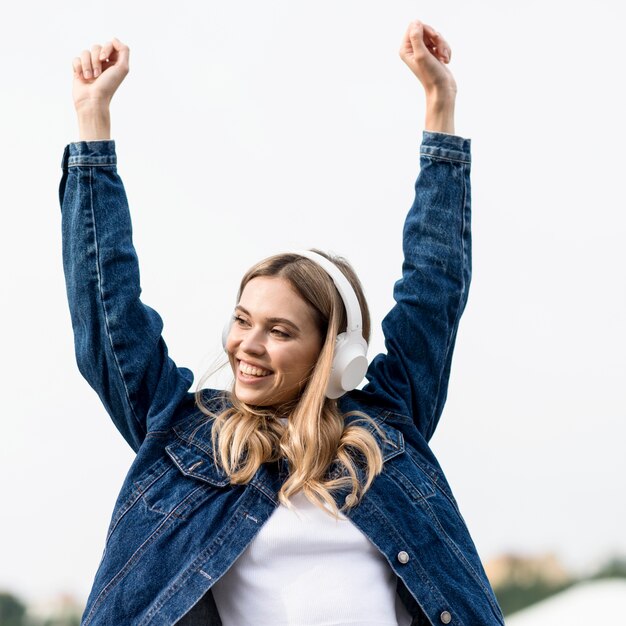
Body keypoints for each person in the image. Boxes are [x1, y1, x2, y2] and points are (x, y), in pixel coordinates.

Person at [60, 19, 505, 626]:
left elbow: (435, 289)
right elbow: (105, 307)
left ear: (336, 351)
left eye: (280, 330)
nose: (248, 345)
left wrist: (440, 104)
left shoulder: (389, 430)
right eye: (243, 320)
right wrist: (93, 122)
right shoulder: (183, 435)